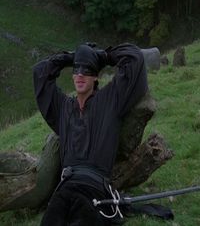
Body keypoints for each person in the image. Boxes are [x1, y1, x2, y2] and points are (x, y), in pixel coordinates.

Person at [33, 43, 148, 225]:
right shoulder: (62, 108)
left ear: (95, 77)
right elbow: (40, 72)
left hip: (94, 189)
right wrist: (71, 57)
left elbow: (135, 59)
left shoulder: (111, 100)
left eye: (87, 70)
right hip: (65, 188)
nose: (80, 74)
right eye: (76, 69)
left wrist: (103, 56)